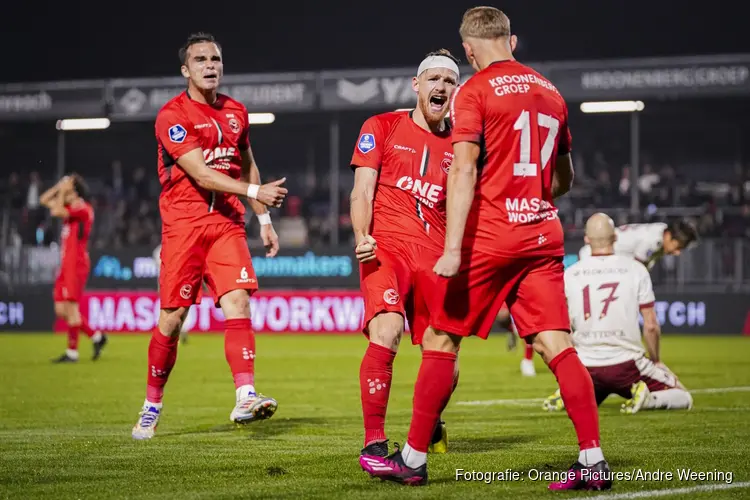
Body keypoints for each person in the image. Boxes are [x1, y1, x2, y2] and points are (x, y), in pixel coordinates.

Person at [360, 7, 611, 491]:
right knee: (556, 344)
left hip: (493, 238)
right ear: (512, 41)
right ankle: (593, 460)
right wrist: (529, 198)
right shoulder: (552, 92)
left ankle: (412, 458)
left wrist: (453, 247)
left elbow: (463, 170)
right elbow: (565, 178)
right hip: (543, 234)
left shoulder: (473, 92)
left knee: (440, 340)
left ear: (470, 51)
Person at [131, 32, 288, 440]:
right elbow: (200, 173)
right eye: (200, 59)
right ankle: (152, 404)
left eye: (216, 58)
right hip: (184, 226)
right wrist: (255, 192)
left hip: (226, 225)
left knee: (238, 301)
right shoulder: (172, 115)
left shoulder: (237, 111)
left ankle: (245, 395)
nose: (210, 65)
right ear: (186, 70)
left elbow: (247, 163)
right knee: (173, 319)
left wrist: (264, 220)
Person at [351, 50, 459, 462]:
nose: (440, 88)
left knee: (445, 358)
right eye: (433, 80)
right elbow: (362, 190)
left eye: (449, 82)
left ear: (456, 90)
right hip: (386, 250)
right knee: (387, 330)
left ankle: (428, 422)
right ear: (417, 85)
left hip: (437, 258)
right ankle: (374, 441)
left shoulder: (464, 145)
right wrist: (362, 234)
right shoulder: (381, 126)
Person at [543, 214, 693, 414]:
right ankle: (648, 399)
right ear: (615, 237)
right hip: (626, 365)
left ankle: (570, 392)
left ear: (586, 239)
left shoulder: (570, 274)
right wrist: (656, 360)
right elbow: (650, 324)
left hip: (586, 365)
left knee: (592, 385)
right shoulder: (637, 270)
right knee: (683, 397)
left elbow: (562, 326)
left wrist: (569, 367)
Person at [40, 174, 108, 363]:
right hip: (66, 265)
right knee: (61, 309)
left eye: (68, 183)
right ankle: (96, 336)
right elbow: (44, 200)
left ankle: (72, 353)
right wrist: (58, 188)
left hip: (76, 264)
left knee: (72, 309)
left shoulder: (84, 209)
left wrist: (62, 191)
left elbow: (55, 212)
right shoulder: (71, 207)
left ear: (74, 190)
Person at [578, 220, 698, 270]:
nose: (677, 252)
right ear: (668, 236)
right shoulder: (652, 241)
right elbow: (637, 271)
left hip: (601, 262)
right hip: (593, 261)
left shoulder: (663, 230)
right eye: (677, 247)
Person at [152, 243, 189, 344]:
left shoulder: (160, 250)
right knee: (176, 311)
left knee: (173, 312)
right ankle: (176, 333)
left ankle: (176, 333)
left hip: (172, 285)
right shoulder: (162, 249)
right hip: (170, 284)